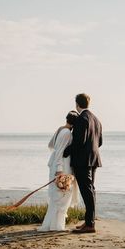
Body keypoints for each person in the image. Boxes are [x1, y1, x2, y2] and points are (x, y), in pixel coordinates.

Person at [64, 93, 103, 234]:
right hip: (93, 159)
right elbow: (100, 142)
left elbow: (79, 141)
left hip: (83, 161)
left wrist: (66, 151)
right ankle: (88, 221)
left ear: (77, 104)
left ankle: (90, 224)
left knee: (87, 191)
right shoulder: (96, 119)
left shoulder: (82, 119)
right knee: (90, 190)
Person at [38, 111, 79, 232]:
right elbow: (60, 151)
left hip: (55, 165)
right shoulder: (67, 133)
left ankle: (52, 224)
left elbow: (51, 145)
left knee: (57, 195)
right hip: (62, 167)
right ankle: (57, 226)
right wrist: (60, 170)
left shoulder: (60, 130)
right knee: (62, 194)